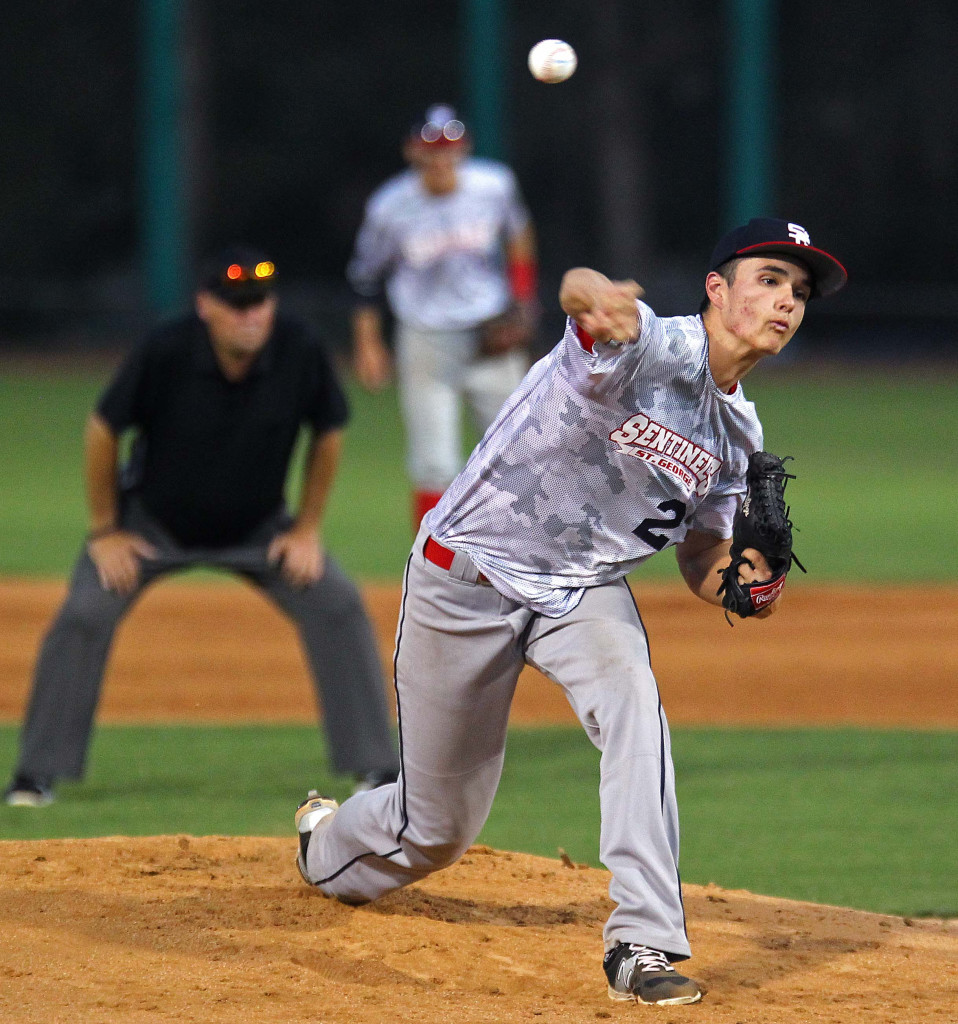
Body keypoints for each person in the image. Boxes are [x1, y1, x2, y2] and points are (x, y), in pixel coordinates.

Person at [293, 218, 847, 1004]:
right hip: (470, 577)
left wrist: (741, 582)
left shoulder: (738, 435)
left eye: (798, 292)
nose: (786, 301)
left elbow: (701, 557)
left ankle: (642, 946)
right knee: (436, 830)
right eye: (769, 279)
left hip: (582, 593)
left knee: (634, 709)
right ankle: (326, 845)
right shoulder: (653, 345)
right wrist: (598, 296)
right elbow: (581, 292)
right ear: (717, 289)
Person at [4, 246, 400, 808]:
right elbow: (102, 428)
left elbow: (329, 429)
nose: (250, 314)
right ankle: (34, 776)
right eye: (235, 304)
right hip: (151, 527)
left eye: (260, 301)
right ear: (204, 307)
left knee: (336, 603)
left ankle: (377, 770)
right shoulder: (166, 350)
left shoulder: (298, 349)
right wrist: (104, 531)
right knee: (84, 613)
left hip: (260, 529)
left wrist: (307, 527)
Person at [346, 103, 539, 529]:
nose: (440, 156)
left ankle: (518, 565)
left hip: (491, 332)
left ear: (464, 148)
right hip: (425, 338)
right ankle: (431, 571)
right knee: (434, 463)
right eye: (430, 147)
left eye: (448, 146)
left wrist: (523, 299)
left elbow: (519, 236)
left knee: (516, 453)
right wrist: (367, 343)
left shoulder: (494, 185)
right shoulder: (390, 206)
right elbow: (364, 278)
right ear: (412, 152)